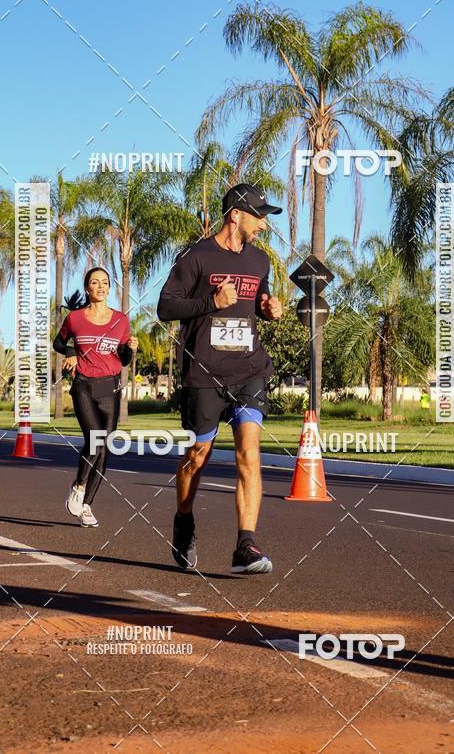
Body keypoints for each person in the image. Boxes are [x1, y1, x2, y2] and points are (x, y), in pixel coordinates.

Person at [157, 183, 283, 574]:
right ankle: (184, 520)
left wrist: (268, 308)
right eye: (259, 216)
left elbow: (257, 302)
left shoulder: (259, 261)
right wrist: (212, 301)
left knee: (249, 452)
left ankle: (246, 545)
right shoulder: (196, 257)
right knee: (198, 455)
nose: (263, 224)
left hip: (250, 370)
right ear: (236, 215)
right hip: (204, 373)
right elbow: (166, 307)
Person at [53, 267, 138, 528]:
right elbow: (58, 343)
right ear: (87, 288)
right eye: (94, 282)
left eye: (104, 282)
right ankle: (78, 486)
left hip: (109, 388)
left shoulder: (121, 320)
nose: (100, 286)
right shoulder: (75, 318)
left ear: (110, 288)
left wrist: (131, 349)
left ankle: (87, 505)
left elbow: (123, 360)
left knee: (104, 449)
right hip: (83, 387)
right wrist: (71, 352)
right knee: (95, 440)